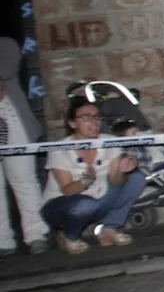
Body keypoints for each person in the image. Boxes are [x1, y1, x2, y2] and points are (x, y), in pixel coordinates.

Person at [39, 97, 145, 255]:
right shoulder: (60, 149)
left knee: (136, 179)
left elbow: (115, 183)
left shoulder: (109, 141)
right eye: (86, 118)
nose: (94, 122)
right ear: (72, 123)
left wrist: (121, 170)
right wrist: (86, 181)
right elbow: (67, 190)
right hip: (61, 205)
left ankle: (109, 228)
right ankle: (69, 237)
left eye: (97, 117)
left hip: (98, 199)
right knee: (86, 205)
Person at [0, 38, 49, 256]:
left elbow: (6, 68)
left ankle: (36, 234)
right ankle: (3, 241)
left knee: (23, 179)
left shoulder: (5, 44)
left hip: (12, 120)